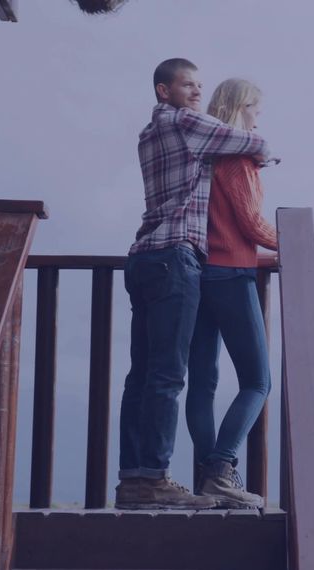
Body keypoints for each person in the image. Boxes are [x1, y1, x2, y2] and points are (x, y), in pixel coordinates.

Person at [116, 59, 269, 510]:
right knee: (169, 376)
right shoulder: (186, 124)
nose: (197, 91)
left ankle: (134, 481)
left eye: (201, 85)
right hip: (177, 259)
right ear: (164, 91)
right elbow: (251, 141)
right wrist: (263, 152)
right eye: (188, 84)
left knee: (141, 377)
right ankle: (165, 478)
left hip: (143, 256)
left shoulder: (148, 133)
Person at [186, 78, 277, 509]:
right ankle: (221, 469)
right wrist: (296, 241)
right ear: (242, 107)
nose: (260, 117)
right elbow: (252, 225)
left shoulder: (204, 156)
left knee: (202, 383)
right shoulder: (238, 160)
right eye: (257, 109)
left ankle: (207, 479)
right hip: (231, 273)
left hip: (197, 273)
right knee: (258, 381)